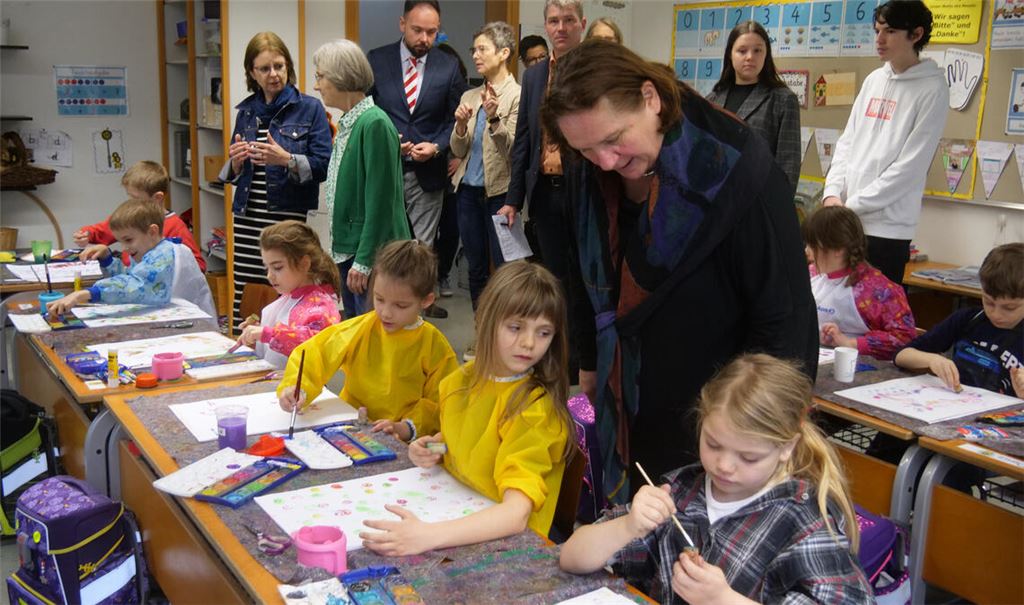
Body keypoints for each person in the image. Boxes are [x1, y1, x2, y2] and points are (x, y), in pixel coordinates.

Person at [542, 40, 817, 503]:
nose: (605, 162)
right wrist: (588, 362)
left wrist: (761, 428)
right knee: (633, 528)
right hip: (625, 398)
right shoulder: (589, 166)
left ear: (650, 99)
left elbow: (784, 319)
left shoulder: (737, 171)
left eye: (614, 140)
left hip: (713, 412)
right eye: (586, 149)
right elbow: (582, 274)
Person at [559, 354, 872, 605]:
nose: (723, 466)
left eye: (748, 457)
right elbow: (571, 557)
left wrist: (723, 599)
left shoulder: (806, 520)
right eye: (713, 444)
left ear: (786, 447)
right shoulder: (681, 490)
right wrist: (627, 526)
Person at [359, 261, 572, 556]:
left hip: (509, 549)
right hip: (457, 515)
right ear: (485, 319)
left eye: (544, 333)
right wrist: (429, 450)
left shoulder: (535, 410)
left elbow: (516, 514)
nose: (528, 343)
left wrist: (428, 535)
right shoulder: (460, 382)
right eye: (515, 327)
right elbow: (464, 448)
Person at [278, 240, 458, 441]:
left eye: (401, 305)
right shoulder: (360, 328)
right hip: (352, 425)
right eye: (379, 299)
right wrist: (296, 388)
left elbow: (443, 401)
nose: (386, 313)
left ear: (426, 300)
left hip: (404, 439)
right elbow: (313, 355)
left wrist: (405, 428)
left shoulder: (433, 345)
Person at [823, 1, 948, 286]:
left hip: (887, 229)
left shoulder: (933, 89)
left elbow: (910, 168)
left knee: (874, 320)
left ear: (915, 34)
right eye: (877, 30)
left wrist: (850, 206)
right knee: (836, 312)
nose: (879, 39)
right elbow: (847, 142)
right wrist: (832, 194)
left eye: (890, 31)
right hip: (846, 220)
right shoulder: (873, 80)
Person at [220, 31, 332, 329]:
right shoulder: (246, 111)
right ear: (251, 73)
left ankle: (282, 349)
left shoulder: (310, 108)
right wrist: (235, 161)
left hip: (286, 217)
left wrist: (286, 159)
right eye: (265, 69)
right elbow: (231, 171)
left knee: (286, 290)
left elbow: (324, 165)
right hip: (247, 216)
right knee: (246, 291)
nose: (274, 75)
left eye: (280, 66)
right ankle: (244, 350)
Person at [367, 0, 468, 319]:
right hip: (386, 169)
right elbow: (365, 111)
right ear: (401, 24)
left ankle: (415, 316)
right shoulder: (377, 60)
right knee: (386, 245)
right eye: (417, 30)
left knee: (422, 247)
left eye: (432, 32)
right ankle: (384, 312)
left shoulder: (448, 66)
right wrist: (385, 141)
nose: (424, 38)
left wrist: (437, 146)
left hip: (429, 171)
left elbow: (457, 117)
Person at [507, 0, 588, 384]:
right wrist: (513, 198)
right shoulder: (536, 76)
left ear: (581, 24)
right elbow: (523, 138)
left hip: (583, 191)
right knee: (554, 279)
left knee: (585, 279)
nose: (561, 28)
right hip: (544, 191)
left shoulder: (595, 68)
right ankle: (556, 358)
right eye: (553, 21)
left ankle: (582, 360)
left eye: (568, 20)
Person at [313, 38, 410, 318]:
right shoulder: (352, 122)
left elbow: (380, 203)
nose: (317, 86)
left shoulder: (374, 122)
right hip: (353, 250)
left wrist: (365, 261)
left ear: (342, 76)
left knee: (373, 336)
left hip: (370, 253)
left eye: (321, 77)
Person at [450, 21, 520, 318]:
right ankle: (482, 331)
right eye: (474, 50)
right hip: (467, 191)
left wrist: (494, 120)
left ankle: (505, 333)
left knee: (505, 267)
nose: (475, 55)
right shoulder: (470, 95)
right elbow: (457, 150)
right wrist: (462, 126)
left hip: (501, 195)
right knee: (476, 267)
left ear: (504, 52)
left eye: (482, 49)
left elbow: (515, 150)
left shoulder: (517, 95)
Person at [47, 199, 214, 317]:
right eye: (120, 241)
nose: (124, 247)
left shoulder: (165, 255)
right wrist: (107, 259)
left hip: (194, 323)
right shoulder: (149, 249)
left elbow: (137, 285)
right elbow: (131, 275)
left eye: (128, 240)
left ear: (152, 231)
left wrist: (85, 294)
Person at [895, 243, 1023, 397]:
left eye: (1009, 308)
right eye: (988, 302)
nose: (996, 314)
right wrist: (932, 360)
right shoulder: (968, 319)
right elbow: (901, 356)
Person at [803, 206, 916, 361]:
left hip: (857, 367)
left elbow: (904, 337)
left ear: (838, 249)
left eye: (813, 246)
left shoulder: (877, 290)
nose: (807, 251)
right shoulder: (811, 275)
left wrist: (849, 342)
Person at [705, 21, 801, 189]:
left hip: (758, 203)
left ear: (766, 55)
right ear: (730, 54)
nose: (750, 57)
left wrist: (775, 209)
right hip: (715, 199)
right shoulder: (713, 100)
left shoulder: (783, 100)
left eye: (757, 50)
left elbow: (788, 167)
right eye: (742, 51)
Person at [234, 221, 342, 369]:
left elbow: (316, 343)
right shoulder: (289, 296)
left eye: (277, 267)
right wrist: (256, 333)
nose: (269, 276)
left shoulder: (320, 305)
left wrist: (268, 334)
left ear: (304, 264)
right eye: (267, 268)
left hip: (300, 390)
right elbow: (286, 332)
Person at [74, 160, 206, 271]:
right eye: (129, 196)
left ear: (157, 198)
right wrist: (88, 233)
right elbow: (105, 230)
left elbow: (198, 266)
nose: (131, 202)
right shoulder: (130, 218)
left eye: (135, 198)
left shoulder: (175, 226)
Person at [433, 42, 468, 300]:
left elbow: (470, 134)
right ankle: (425, 279)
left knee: (451, 228)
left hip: (454, 173)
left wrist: (460, 158)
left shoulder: (465, 95)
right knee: (422, 232)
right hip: (428, 170)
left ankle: (443, 273)